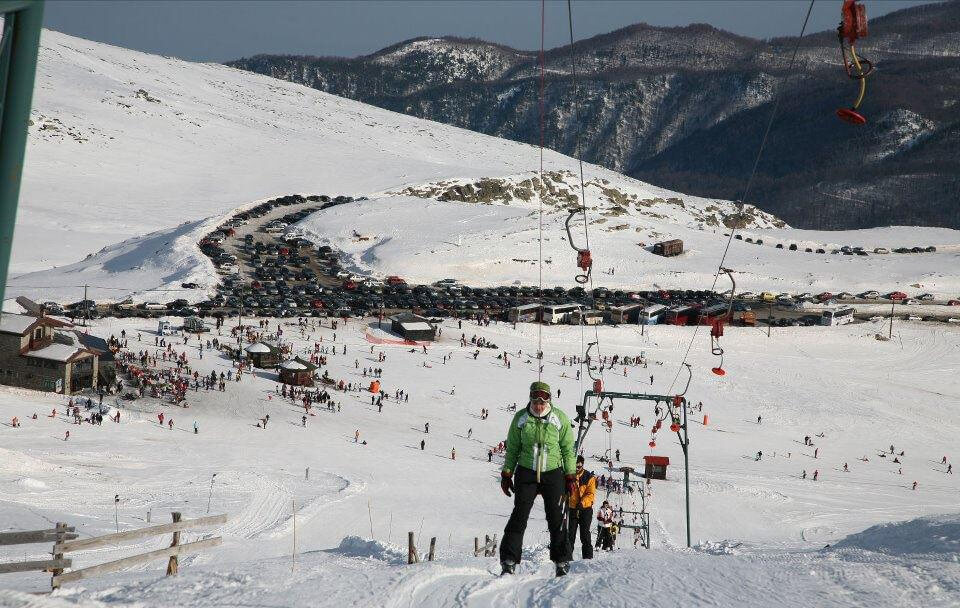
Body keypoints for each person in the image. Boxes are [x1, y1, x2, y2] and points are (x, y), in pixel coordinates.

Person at [500, 381, 576, 578]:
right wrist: (507, 473)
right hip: (527, 472)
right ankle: (509, 560)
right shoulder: (521, 418)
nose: (539, 405)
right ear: (531, 399)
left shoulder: (559, 418)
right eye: (535, 401)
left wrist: (570, 475)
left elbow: (568, 449)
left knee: (556, 518)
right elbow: (513, 448)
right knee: (519, 515)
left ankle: (561, 561)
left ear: (549, 400)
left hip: (553, 472)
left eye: (543, 401)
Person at [566, 455, 596, 560]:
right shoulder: (569, 476)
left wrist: (582, 503)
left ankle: (587, 558)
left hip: (585, 509)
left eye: (579, 467)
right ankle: (567, 558)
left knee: (585, 534)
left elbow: (590, 493)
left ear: (582, 465)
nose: (577, 469)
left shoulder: (589, 477)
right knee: (570, 535)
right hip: (573, 508)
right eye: (575, 467)